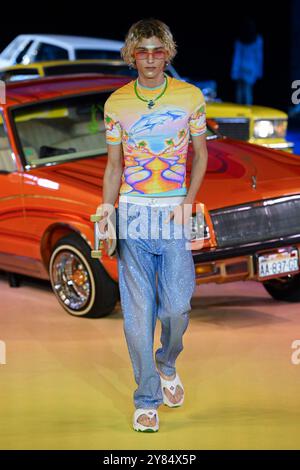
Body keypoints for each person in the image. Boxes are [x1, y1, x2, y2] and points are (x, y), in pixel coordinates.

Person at [96, 18, 208, 432]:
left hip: (174, 214)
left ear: (168, 53)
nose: (150, 58)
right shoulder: (116, 104)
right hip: (132, 214)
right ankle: (146, 399)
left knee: (177, 307)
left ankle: (167, 361)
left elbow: (201, 154)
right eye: (142, 50)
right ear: (131, 55)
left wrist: (189, 202)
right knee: (137, 317)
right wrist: (107, 214)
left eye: (157, 50)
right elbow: (113, 166)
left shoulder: (190, 96)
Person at [231, 17, 263, 105]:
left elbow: (258, 56)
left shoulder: (257, 39)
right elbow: (237, 56)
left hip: (246, 67)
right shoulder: (240, 40)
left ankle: (246, 110)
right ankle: (242, 110)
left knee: (244, 90)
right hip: (247, 67)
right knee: (243, 91)